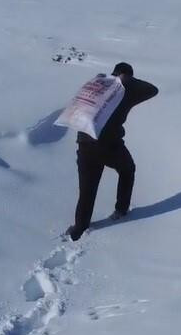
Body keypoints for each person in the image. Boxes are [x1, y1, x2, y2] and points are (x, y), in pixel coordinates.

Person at [66, 62, 158, 241]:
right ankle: (122, 209)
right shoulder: (126, 90)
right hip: (109, 146)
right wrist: (128, 80)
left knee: (87, 190)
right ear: (128, 76)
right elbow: (152, 90)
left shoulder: (98, 86)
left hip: (84, 144)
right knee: (127, 169)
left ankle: (79, 228)